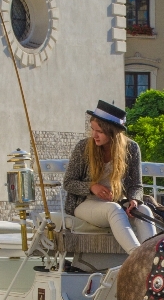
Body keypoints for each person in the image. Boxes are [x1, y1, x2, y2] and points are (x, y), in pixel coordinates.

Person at [63, 100, 156, 253]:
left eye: (99, 131)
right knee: (113, 209)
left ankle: (151, 258)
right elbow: (68, 182)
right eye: (92, 129)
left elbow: (136, 185)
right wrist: (92, 186)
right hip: (85, 203)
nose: (94, 135)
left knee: (144, 210)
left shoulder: (132, 148)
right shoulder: (83, 147)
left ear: (111, 131)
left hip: (117, 202)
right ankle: (136, 257)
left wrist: (134, 199)